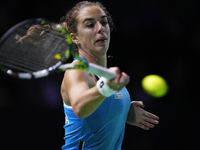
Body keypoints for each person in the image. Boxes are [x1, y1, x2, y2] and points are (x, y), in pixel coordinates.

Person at [59, 1, 159, 149]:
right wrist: (106, 87)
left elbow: (100, 109)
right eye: (90, 25)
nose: (101, 28)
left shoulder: (105, 73)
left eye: (104, 22)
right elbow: (80, 107)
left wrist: (123, 112)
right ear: (75, 38)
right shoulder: (77, 70)